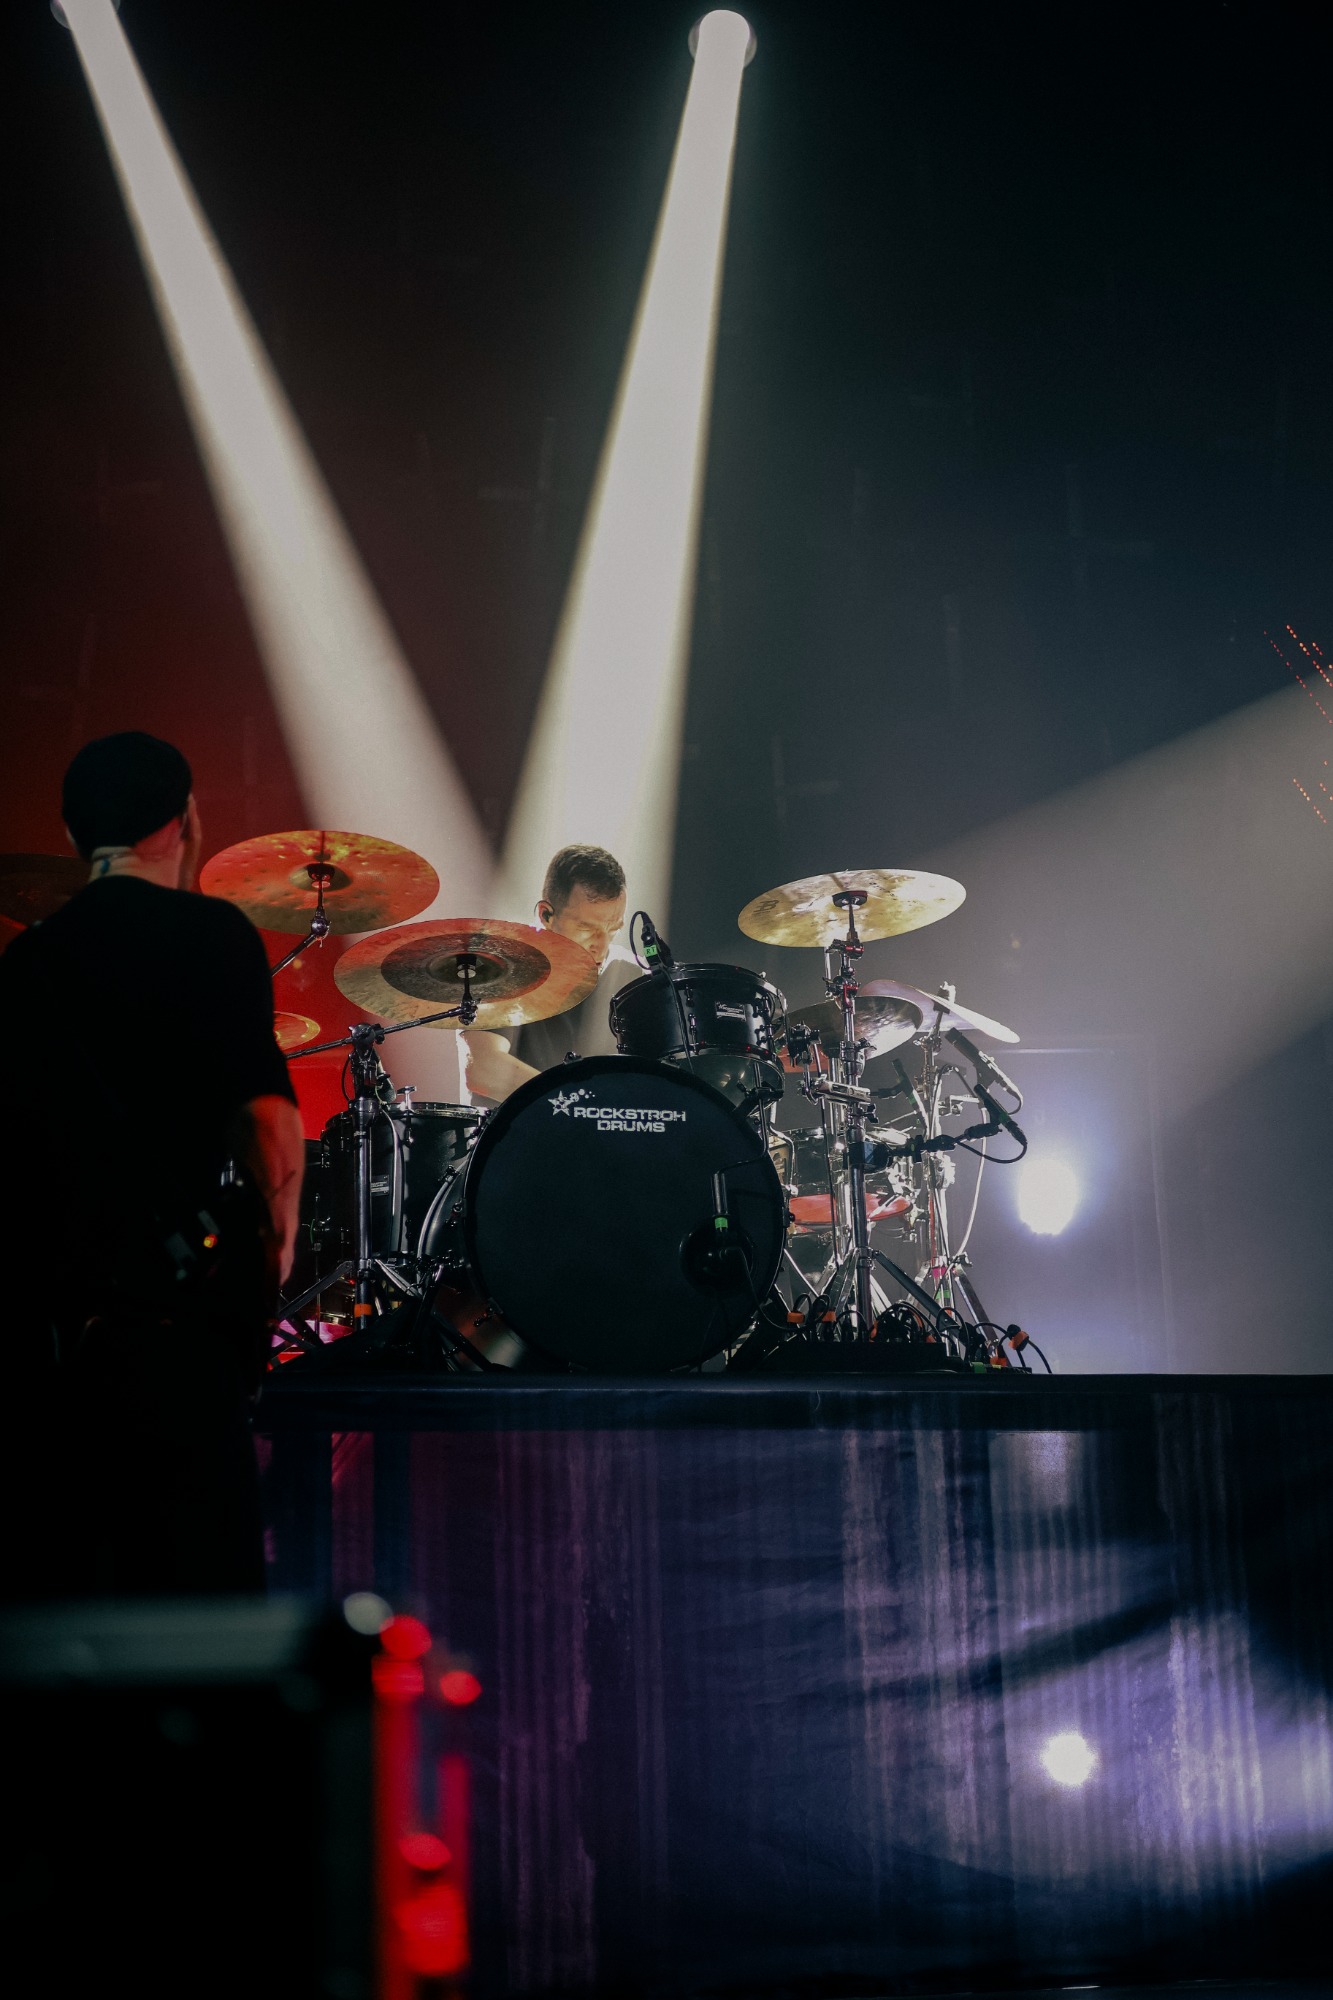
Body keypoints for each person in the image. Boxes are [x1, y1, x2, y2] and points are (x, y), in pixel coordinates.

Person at [0, 732, 304, 1597]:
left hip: (65, 1339)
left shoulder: (28, 962)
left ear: (73, 835)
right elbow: (268, 1121)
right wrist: (272, 1258)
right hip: (184, 1321)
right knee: (200, 1587)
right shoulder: (214, 935)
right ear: (183, 822)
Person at [461, 844, 637, 1102]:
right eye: (587, 928)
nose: (602, 946)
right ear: (546, 915)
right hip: (515, 1127)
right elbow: (483, 1069)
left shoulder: (632, 976)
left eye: (613, 930)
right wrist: (583, 1102)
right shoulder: (501, 963)